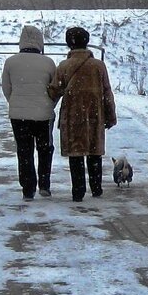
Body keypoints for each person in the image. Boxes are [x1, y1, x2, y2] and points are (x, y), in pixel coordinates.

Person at [48, 26, 117, 201]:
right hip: (95, 116)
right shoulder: (98, 66)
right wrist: (110, 116)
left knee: (76, 155)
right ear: (86, 42)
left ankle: (78, 191)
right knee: (94, 153)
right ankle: (96, 188)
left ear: (68, 44)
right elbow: (107, 93)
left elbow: (54, 91)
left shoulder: (64, 66)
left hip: (72, 117)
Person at [1, 24, 56, 200]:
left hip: (19, 115)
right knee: (45, 149)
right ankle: (44, 184)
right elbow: (55, 89)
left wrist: (16, 102)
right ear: (40, 42)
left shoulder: (10, 62)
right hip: (43, 115)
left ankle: (28, 187)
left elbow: (6, 88)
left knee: (24, 151)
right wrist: (49, 104)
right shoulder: (48, 63)